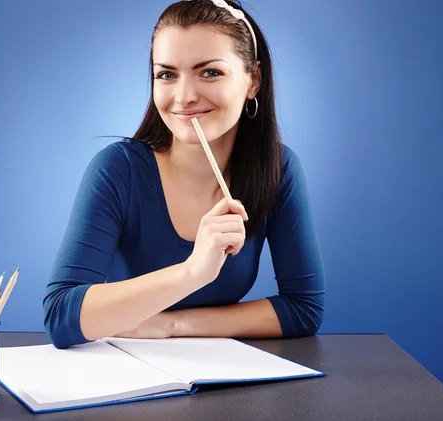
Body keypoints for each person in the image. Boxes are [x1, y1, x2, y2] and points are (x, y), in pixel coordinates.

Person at [43, 0, 325, 349]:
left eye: (210, 72)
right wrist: (192, 273)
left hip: (224, 388)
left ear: (253, 80)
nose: (185, 96)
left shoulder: (278, 170)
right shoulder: (118, 170)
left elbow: (303, 308)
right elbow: (60, 315)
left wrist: (173, 324)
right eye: (167, 74)